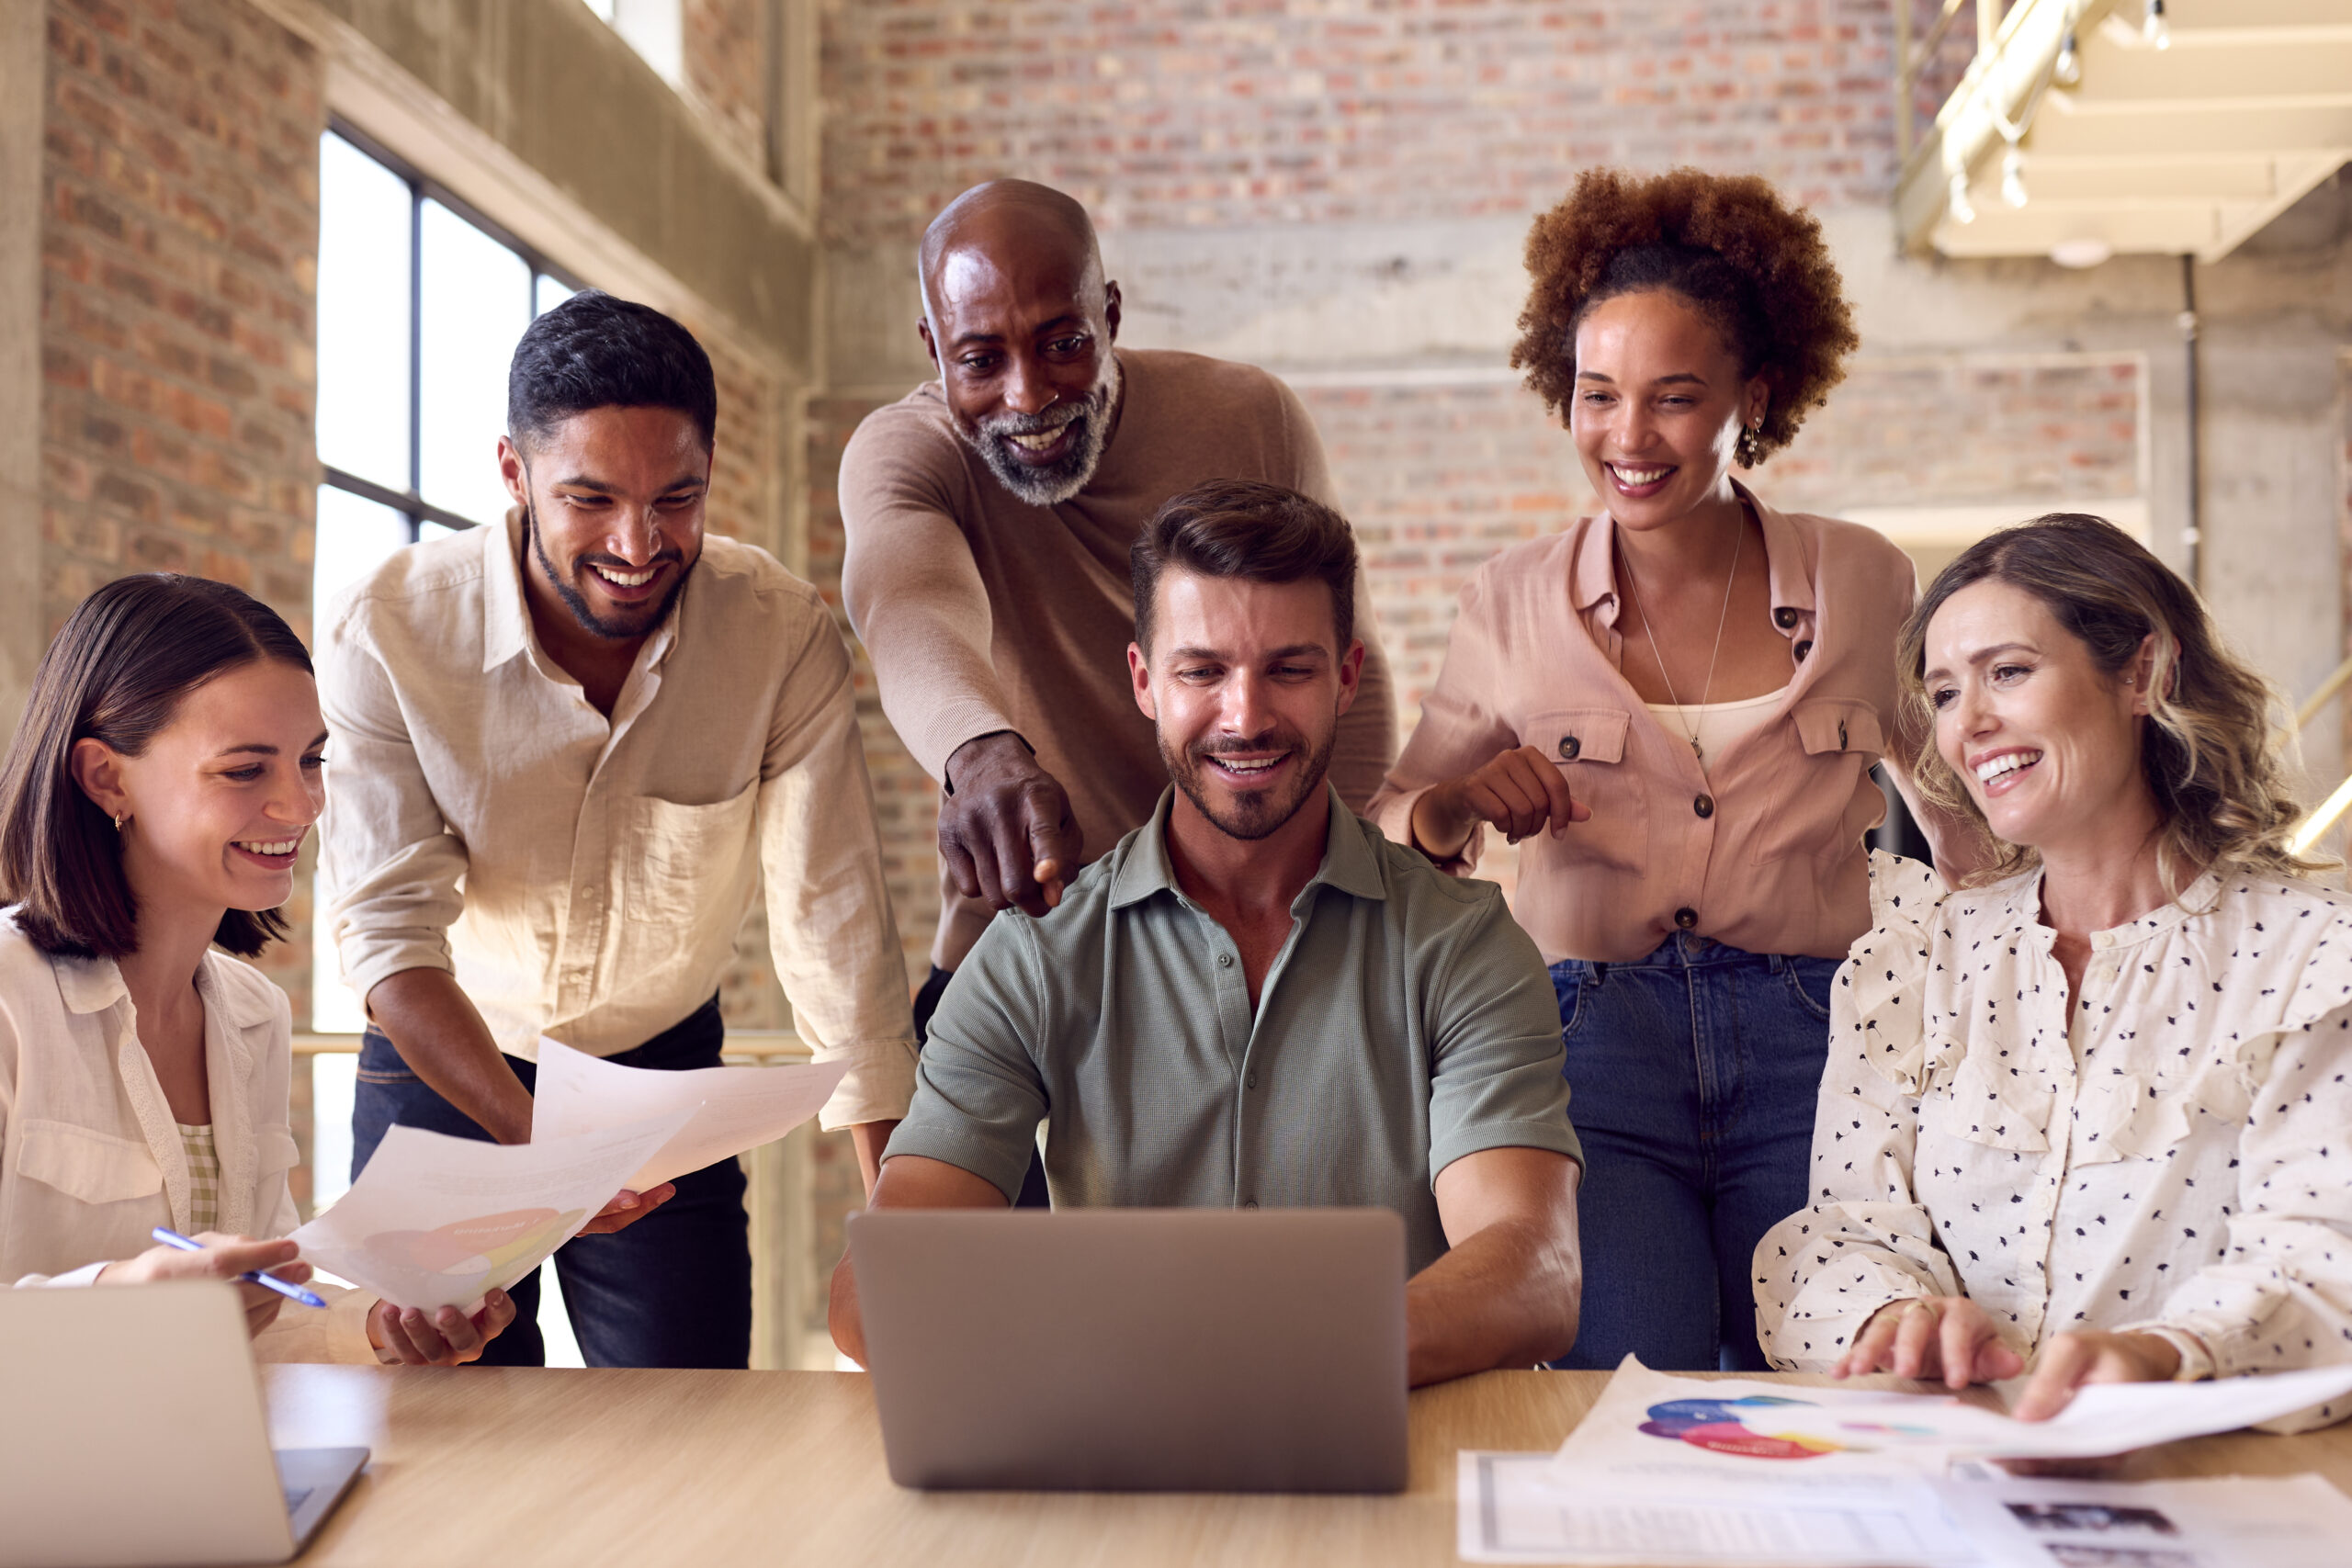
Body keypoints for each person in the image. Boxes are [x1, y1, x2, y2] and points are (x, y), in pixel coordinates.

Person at [1365, 167, 1966, 1373]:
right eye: (1597, 396)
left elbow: (1970, 823)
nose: (1627, 439)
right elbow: (1389, 823)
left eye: (1674, 399)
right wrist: (1450, 806)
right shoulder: (1512, 598)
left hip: (1821, 1046)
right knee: (1631, 1383)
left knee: (1829, 1386)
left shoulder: (1862, 582)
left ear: (1760, 393)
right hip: (1590, 1051)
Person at [829, 480, 1583, 1386]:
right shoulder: (1035, 956)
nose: (1246, 716)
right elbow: (874, 1291)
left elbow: (1532, 1270)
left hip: (1408, 1451)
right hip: (1133, 1458)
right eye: (1202, 671)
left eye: (1289, 670)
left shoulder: (1462, 947)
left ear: (1346, 677)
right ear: (1145, 681)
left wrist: (1256, 1363)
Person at [319, 291, 919, 1369]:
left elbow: (836, 931)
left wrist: (902, 1225)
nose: (638, 545)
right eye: (588, 499)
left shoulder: (777, 636)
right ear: (513, 472)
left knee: (687, 1423)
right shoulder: (392, 630)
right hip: (444, 1067)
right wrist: (538, 1154)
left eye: (675, 500)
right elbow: (389, 943)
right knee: (451, 1435)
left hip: (660, 1084)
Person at [837, 182, 1400, 1195]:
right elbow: (905, 598)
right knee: (962, 1302)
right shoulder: (907, 453)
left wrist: (1319, 903)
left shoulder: (1247, 419)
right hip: (1029, 934)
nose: (1027, 395)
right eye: (980, 360)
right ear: (934, 350)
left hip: (1256, 935)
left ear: (1110, 313)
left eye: (1062, 342)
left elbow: (1335, 661)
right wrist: (981, 752)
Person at [1755, 513, 2352, 1431]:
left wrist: (2158, 1355)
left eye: (2008, 672)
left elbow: (2323, 1256)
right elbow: (1845, 1229)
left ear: (2141, 674)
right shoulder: (1914, 960)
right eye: (1945, 693)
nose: (1970, 724)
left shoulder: (2312, 959)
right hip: (1950, 1481)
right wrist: (1894, 1314)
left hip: (2211, 1478)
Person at [0, 573, 513, 1366]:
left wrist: (375, 1322)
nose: (302, 805)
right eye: (246, 770)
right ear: (108, 777)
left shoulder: (252, 1014)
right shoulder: (8, 999)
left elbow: (265, 1309)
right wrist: (117, 1299)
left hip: (208, 1457)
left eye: (311, 760)